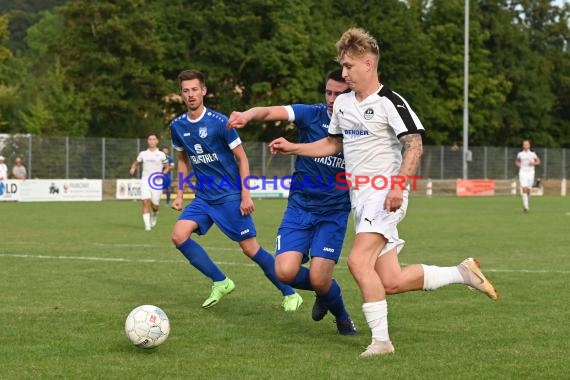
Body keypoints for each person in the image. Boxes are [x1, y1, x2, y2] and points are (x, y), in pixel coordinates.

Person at [268, 27, 499, 357]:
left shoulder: (391, 101)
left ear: (367, 64)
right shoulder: (345, 103)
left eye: (348, 66)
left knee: (358, 262)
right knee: (390, 280)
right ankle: (461, 272)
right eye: (342, 66)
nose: (344, 72)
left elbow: (414, 145)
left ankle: (381, 342)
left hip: (385, 195)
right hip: (361, 200)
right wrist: (294, 147)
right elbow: (333, 143)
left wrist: (397, 185)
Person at [226, 69, 357, 335]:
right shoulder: (312, 114)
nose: (332, 99)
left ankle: (342, 316)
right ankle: (326, 290)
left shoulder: (359, 125)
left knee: (320, 278)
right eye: (328, 92)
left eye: (339, 94)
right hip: (300, 207)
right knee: (284, 271)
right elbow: (271, 111)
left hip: (334, 211)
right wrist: (247, 115)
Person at [169, 69, 302, 311]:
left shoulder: (221, 123)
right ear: (181, 93)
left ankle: (290, 292)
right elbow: (182, 160)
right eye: (186, 90)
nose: (191, 94)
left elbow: (242, 159)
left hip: (229, 195)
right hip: (203, 198)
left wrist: (245, 195)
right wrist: (179, 193)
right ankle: (221, 281)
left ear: (204, 91)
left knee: (250, 249)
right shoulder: (177, 126)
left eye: (195, 89)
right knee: (179, 235)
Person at [129, 134, 170, 231]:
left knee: (154, 205)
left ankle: (154, 214)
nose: (151, 141)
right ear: (147, 141)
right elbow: (137, 162)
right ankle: (147, 226)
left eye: (153, 139)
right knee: (145, 201)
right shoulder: (143, 154)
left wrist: (162, 174)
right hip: (145, 180)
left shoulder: (161, 154)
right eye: (150, 139)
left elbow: (167, 166)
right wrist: (133, 167)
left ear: (157, 141)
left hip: (157, 182)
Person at [515, 140, 540, 212]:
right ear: (523, 146)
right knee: (524, 188)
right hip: (522, 172)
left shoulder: (533, 154)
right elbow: (517, 161)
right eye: (524, 144)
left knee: (529, 190)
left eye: (527, 144)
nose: (525, 146)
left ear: (529, 146)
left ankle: (526, 204)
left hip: (531, 172)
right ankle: (526, 206)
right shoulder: (520, 154)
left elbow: (538, 161)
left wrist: (533, 163)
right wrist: (518, 165)